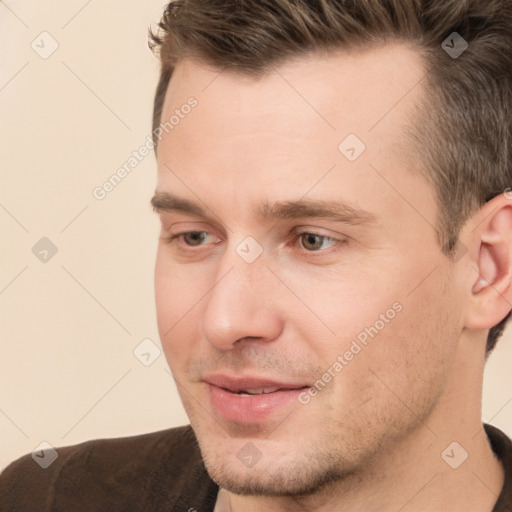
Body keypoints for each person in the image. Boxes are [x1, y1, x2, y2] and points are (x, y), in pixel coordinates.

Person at [2, 0, 512, 510]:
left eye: (313, 239)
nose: (225, 321)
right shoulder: (43, 499)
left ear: (489, 267)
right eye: (195, 236)